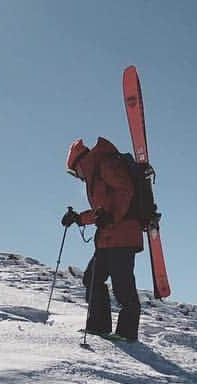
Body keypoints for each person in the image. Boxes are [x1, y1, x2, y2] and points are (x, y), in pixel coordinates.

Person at [61, 138, 143, 343]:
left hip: (123, 235)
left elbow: (126, 191)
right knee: (92, 278)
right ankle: (99, 325)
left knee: (123, 285)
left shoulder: (106, 165)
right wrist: (79, 218)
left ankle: (127, 333)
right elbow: (102, 212)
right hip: (107, 238)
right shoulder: (95, 174)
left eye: (73, 172)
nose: (76, 177)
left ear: (78, 163)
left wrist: (112, 217)